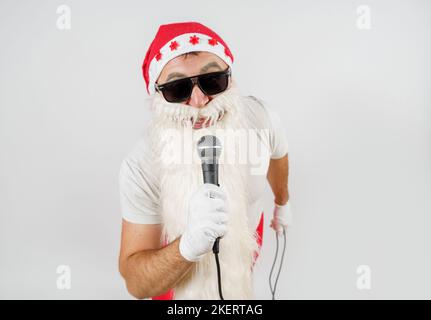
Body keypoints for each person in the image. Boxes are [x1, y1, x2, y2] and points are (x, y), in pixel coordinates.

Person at [118, 21, 291, 300]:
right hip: (174, 283)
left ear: (230, 80)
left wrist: (283, 204)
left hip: (241, 262)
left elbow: (278, 154)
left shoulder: (259, 117)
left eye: (213, 81)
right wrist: (188, 246)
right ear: (158, 95)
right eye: (177, 89)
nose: (199, 101)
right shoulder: (141, 165)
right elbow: (137, 284)